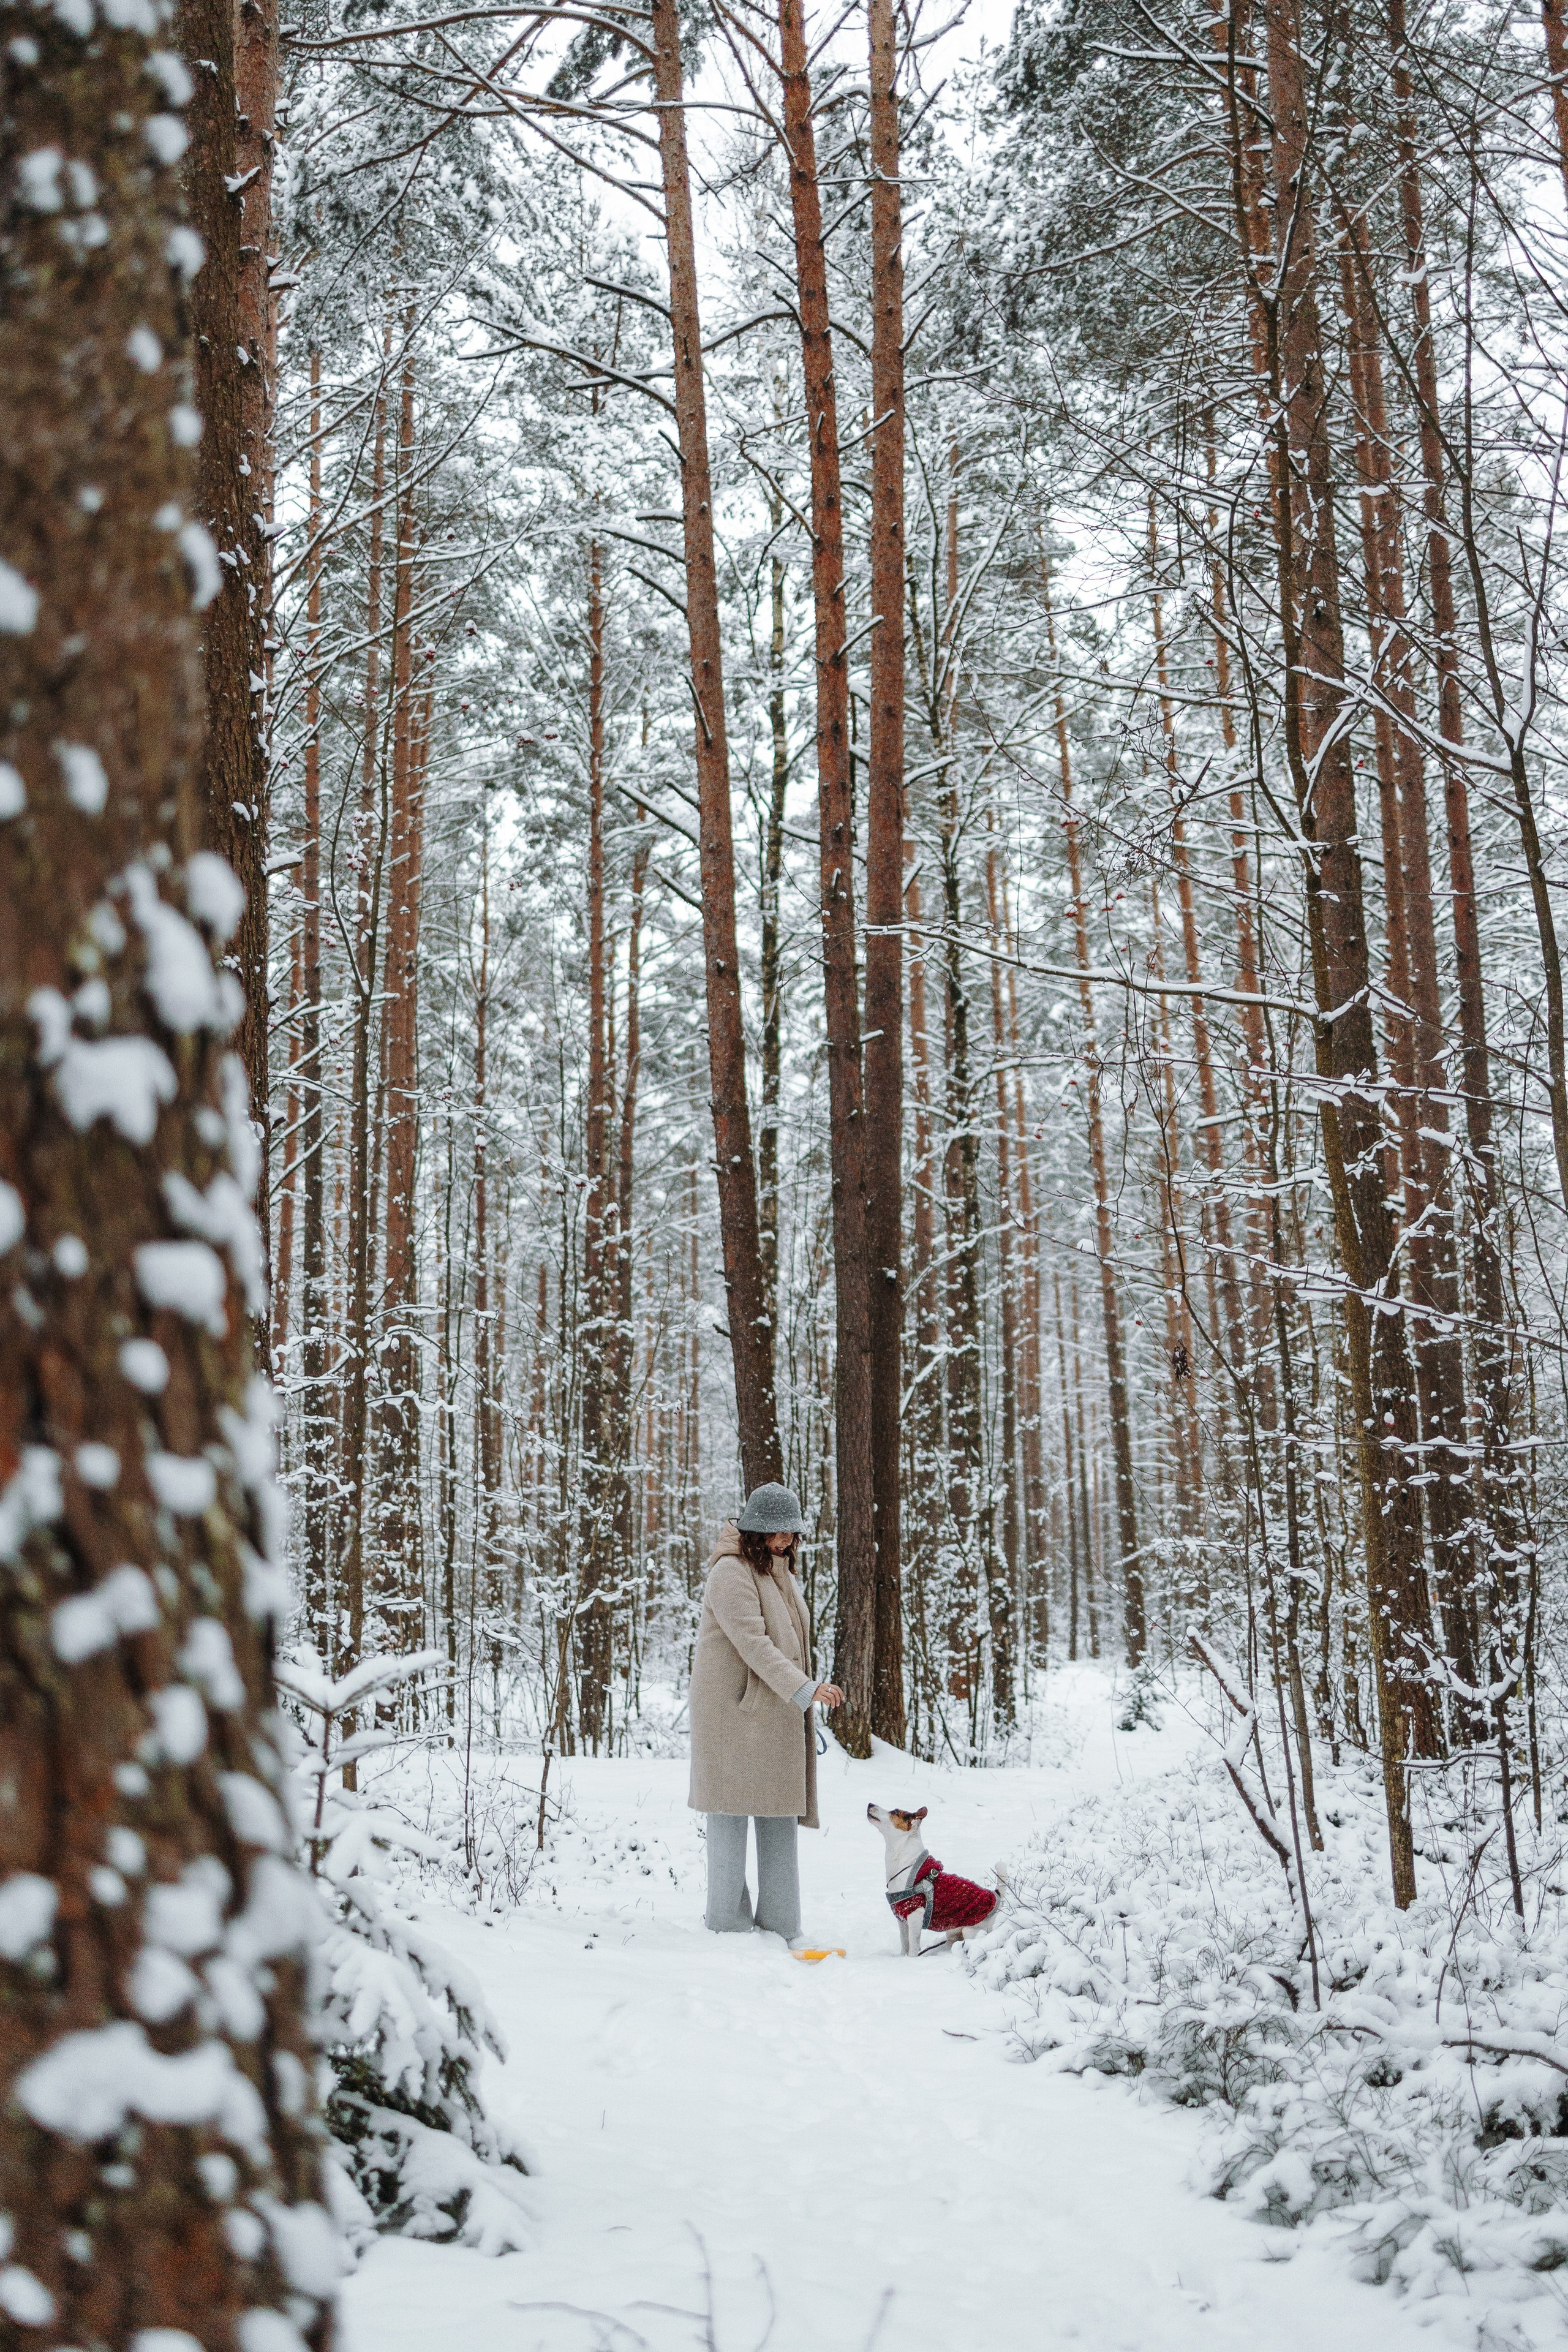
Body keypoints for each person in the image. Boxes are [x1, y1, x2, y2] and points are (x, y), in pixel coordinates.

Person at [687, 1482, 842, 1944]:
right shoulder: (730, 1572)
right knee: (729, 1818)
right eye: (776, 1534)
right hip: (731, 1714)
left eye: (791, 1534)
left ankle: (780, 1924)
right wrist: (805, 1687)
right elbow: (753, 1642)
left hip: (773, 1709)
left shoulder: (779, 1572)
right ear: (754, 1531)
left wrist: (800, 1690)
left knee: (779, 1816)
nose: (785, 1542)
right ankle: (728, 1925)